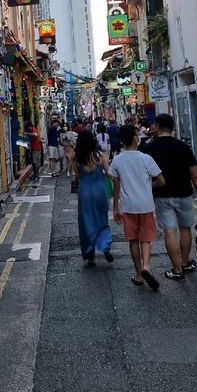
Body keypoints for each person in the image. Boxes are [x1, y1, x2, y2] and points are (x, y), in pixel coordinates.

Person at [145, 113, 197, 281]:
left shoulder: (149, 148)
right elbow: (196, 176)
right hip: (184, 193)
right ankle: (185, 262)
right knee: (185, 228)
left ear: (157, 127)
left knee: (169, 231)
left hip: (162, 194)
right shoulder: (183, 146)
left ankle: (177, 270)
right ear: (172, 128)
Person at [110, 124, 165, 290]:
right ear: (135, 138)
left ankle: (139, 275)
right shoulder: (146, 158)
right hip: (146, 205)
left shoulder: (117, 160)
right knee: (146, 238)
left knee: (133, 240)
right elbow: (161, 181)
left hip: (128, 206)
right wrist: (148, 186)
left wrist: (115, 209)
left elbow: (116, 188)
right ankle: (146, 266)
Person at [75, 130, 114, 266]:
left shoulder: (78, 158)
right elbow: (109, 173)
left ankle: (90, 256)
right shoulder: (100, 155)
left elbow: (78, 177)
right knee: (102, 219)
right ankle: (105, 245)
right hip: (100, 190)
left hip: (85, 191)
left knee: (86, 222)